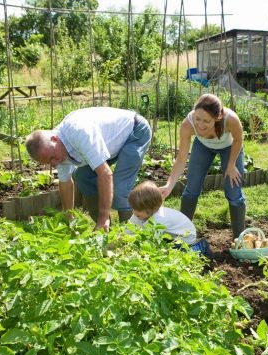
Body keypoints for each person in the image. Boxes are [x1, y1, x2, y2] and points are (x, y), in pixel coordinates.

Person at [25, 107, 152, 231]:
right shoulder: (57, 151)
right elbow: (65, 183)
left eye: (53, 157)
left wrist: (104, 216)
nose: (55, 163)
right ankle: (104, 229)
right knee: (83, 176)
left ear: (55, 139)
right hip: (111, 144)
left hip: (134, 132)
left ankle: (131, 232)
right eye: (49, 162)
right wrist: (68, 217)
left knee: (120, 188)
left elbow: (105, 174)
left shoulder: (78, 133)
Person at [159, 93, 246, 239]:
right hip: (203, 146)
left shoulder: (230, 119)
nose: (200, 124)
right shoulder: (188, 124)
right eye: (197, 118)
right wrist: (169, 185)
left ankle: (240, 239)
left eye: (206, 121)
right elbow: (181, 159)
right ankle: (183, 233)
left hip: (229, 147)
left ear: (218, 117)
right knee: (191, 189)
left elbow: (238, 140)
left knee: (234, 191)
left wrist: (231, 165)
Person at [128, 181, 212, 257]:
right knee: (165, 248)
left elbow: (152, 243)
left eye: (137, 210)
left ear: (150, 209)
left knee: (181, 255)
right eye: (133, 208)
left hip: (185, 236)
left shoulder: (160, 219)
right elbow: (129, 230)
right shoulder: (138, 213)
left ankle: (200, 246)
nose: (134, 212)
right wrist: (124, 239)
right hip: (170, 234)